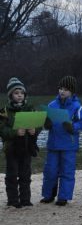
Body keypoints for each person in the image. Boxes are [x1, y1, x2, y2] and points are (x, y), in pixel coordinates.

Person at [41, 76, 82, 206]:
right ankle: (48, 195)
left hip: (69, 146)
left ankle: (63, 197)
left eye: (65, 89)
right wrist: (46, 123)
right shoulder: (51, 105)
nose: (62, 91)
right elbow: (46, 124)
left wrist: (73, 127)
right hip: (53, 144)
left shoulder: (77, 106)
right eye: (60, 88)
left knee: (67, 171)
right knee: (50, 171)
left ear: (72, 91)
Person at [0, 78, 40, 208]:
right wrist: (15, 132)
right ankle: (12, 200)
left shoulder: (30, 108)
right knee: (12, 175)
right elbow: (2, 130)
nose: (19, 95)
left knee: (25, 174)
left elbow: (39, 125)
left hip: (27, 147)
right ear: (11, 94)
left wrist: (35, 130)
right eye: (16, 93)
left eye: (21, 93)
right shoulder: (3, 111)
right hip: (11, 148)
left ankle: (25, 199)